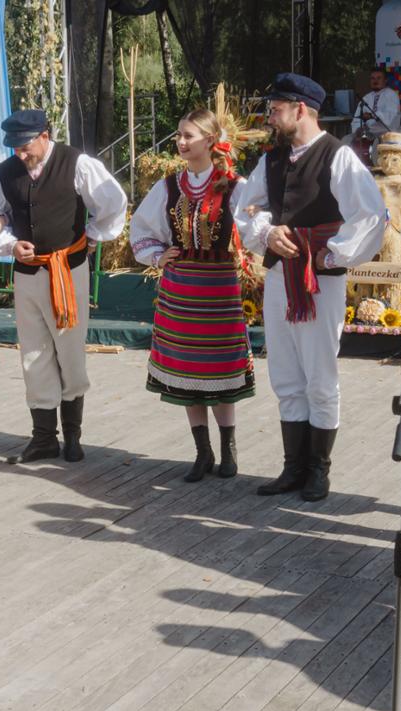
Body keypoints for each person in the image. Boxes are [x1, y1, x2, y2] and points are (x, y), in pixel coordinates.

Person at [232, 73, 387, 502]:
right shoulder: (272, 159)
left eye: (276, 108)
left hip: (319, 279)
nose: (270, 115)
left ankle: (319, 469)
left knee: (320, 375)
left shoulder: (338, 157)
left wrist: (333, 253)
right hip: (282, 273)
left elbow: (371, 215)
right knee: (285, 371)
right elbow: (246, 206)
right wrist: (266, 232)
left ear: (301, 109)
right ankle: (293, 467)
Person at [0, 109, 128, 465]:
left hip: (68, 271)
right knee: (33, 354)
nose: (19, 153)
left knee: (71, 354)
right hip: (27, 274)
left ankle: (73, 435)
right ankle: (44, 437)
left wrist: (91, 236)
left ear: (45, 135)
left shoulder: (77, 164)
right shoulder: (5, 172)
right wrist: (12, 244)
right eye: (14, 146)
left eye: (25, 145)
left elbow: (114, 203)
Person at [130, 109, 257, 482]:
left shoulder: (236, 186)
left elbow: (255, 228)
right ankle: (202, 453)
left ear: (209, 140)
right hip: (180, 289)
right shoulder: (168, 187)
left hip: (218, 289)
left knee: (220, 370)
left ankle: (229, 450)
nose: (182, 142)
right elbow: (141, 227)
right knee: (187, 372)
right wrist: (157, 254)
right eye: (180, 135)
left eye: (189, 136)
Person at [356, 69, 401, 150]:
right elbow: (356, 118)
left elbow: (388, 117)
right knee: (347, 140)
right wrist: (357, 130)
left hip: (388, 136)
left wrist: (371, 115)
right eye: (372, 78)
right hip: (369, 135)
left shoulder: (391, 95)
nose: (375, 81)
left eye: (378, 78)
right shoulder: (366, 98)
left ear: (385, 80)